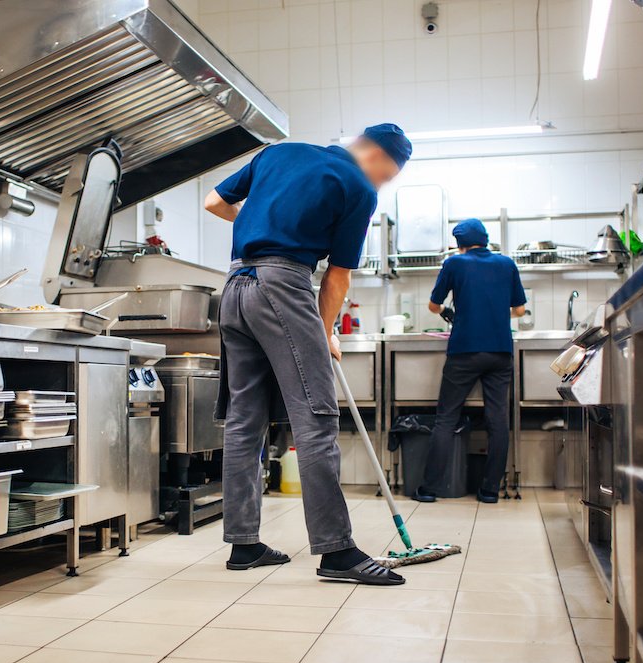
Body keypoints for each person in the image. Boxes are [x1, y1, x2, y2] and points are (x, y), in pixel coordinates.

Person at [203, 124, 412, 585]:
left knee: (244, 420)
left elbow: (214, 202)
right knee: (316, 415)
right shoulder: (357, 186)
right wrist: (325, 331)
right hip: (283, 285)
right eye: (388, 174)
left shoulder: (277, 154)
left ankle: (244, 544)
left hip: (235, 288)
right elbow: (337, 277)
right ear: (376, 156)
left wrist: (260, 223)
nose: (382, 183)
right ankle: (337, 552)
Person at [417, 218, 527, 504]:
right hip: (500, 352)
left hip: (464, 350)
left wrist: (449, 312)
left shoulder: (454, 264)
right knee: (497, 420)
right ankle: (490, 490)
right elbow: (520, 310)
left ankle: (430, 489)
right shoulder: (507, 264)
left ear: (460, 244)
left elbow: (433, 305)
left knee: (446, 418)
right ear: (485, 239)